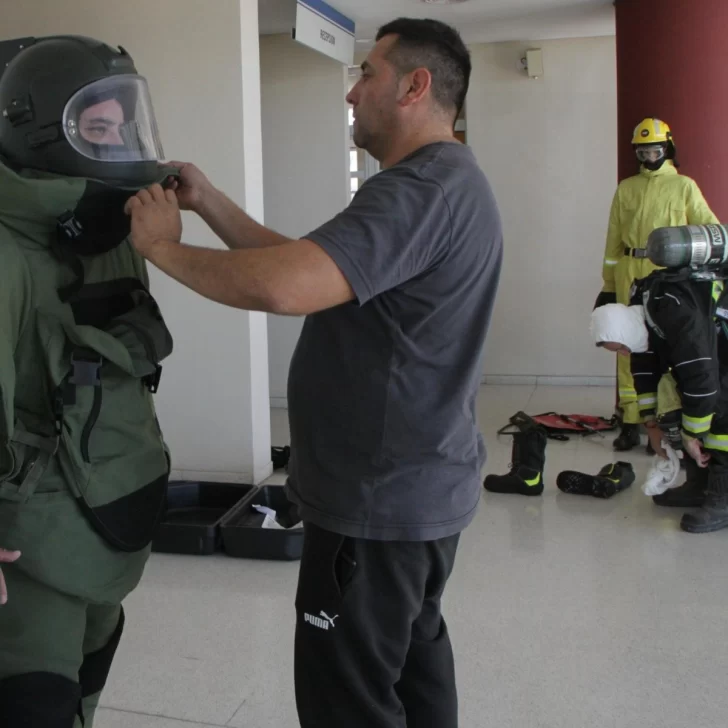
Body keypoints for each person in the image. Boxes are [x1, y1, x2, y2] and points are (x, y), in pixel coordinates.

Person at [126, 17, 502, 728]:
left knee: (348, 704)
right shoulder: (440, 183)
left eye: (368, 74)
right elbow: (311, 267)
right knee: (413, 677)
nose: (353, 93)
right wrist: (206, 203)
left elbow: (283, 287)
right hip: (412, 495)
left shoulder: (419, 191)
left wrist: (165, 250)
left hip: (377, 501)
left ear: (415, 86)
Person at [0, 35, 174, 726]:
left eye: (126, 124)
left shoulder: (112, 235)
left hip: (106, 512)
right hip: (31, 539)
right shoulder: (9, 252)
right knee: (35, 696)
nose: (121, 143)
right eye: (99, 128)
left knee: (90, 666)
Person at [596, 117, 718, 452]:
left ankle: (663, 421)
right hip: (630, 274)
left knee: (666, 350)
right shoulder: (626, 188)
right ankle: (631, 421)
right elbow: (613, 242)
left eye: (656, 150)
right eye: (644, 151)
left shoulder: (684, 186)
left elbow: (708, 228)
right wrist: (608, 287)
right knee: (628, 350)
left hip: (671, 279)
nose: (650, 156)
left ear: (668, 149)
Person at [591, 266, 728, 534]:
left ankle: (723, 500)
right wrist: (652, 425)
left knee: (720, 415)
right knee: (683, 407)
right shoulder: (642, 316)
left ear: (624, 334)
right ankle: (699, 486)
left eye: (619, 347)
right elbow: (644, 371)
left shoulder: (673, 313)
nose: (623, 353)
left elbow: (701, 378)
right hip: (712, 352)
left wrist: (692, 434)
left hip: (720, 356)